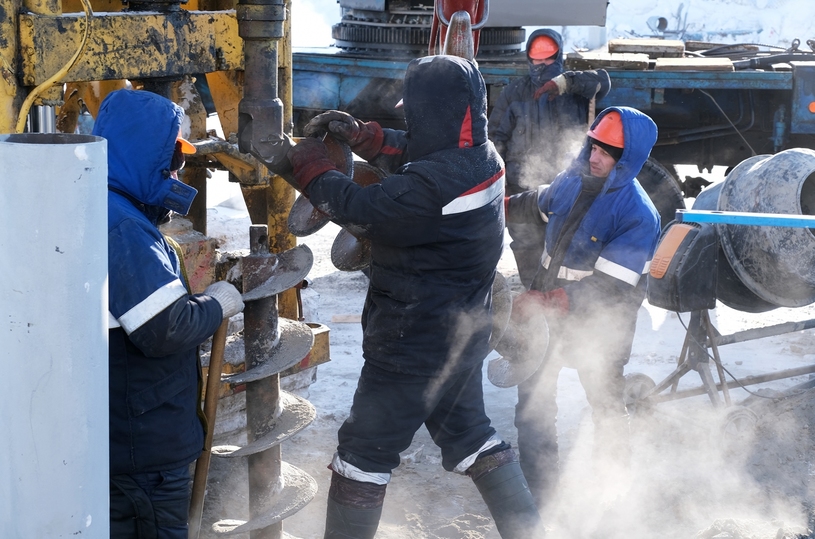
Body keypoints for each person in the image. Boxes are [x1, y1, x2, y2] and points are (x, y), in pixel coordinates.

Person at [286, 54, 542, 539]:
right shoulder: (482, 156)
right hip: (462, 335)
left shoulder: (435, 184)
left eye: (415, 114)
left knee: (361, 455)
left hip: (411, 345)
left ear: (435, 114)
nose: (409, 122)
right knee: (470, 436)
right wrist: (368, 137)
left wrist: (314, 171)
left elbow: (364, 208)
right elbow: (422, 155)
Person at [95, 89, 245, 538]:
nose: (177, 170)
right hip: (145, 446)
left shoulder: (98, 203)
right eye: (172, 158)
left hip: (120, 436)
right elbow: (164, 328)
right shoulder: (123, 229)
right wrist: (218, 303)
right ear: (148, 155)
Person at [503, 106, 661, 509]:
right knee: (533, 406)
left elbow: (611, 287)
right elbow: (530, 206)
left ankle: (613, 491)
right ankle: (539, 493)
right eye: (594, 145)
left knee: (606, 405)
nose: (595, 156)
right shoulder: (571, 180)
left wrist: (547, 300)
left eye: (608, 152)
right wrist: (491, 205)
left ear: (628, 160)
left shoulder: (638, 214)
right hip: (547, 315)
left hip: (601, 325)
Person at [488, 29, 611, 289]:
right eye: (536, 59)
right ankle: (535, 298)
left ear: (559, 56)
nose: (541, 65)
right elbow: (495, 139)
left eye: (548, 58)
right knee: (525, 244)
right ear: (528, 59)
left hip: (566, 189)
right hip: (523, 188)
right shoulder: (515, 93)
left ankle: (561, 301)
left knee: (564, 245)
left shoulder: (575, 90)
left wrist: (565, 83)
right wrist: (500, 183)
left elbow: (602, 82)